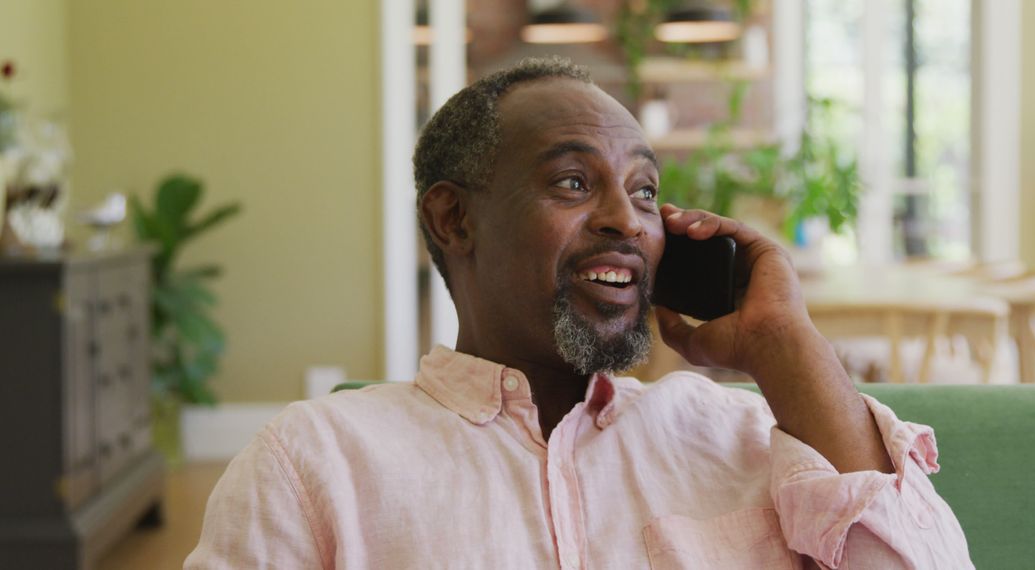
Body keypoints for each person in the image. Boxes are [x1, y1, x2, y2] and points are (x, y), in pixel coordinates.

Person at [186, 57, 972, 569]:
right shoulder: (315, 464)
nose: (628, 221)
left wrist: (782, 341)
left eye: (644, 192)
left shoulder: (739, 436)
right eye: (572, 183)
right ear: (454, 220)